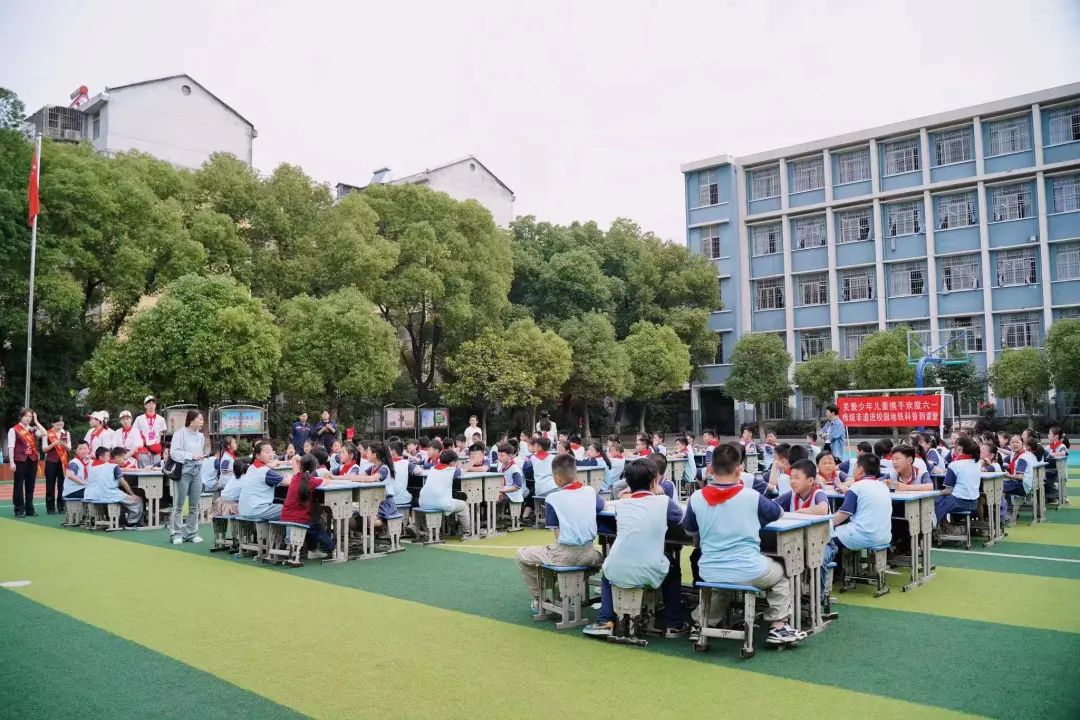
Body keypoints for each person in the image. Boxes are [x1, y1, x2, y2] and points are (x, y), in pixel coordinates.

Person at [683, 444, 805, 645]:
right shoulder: (751, 496)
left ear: (710, 469)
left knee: (720, 586)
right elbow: (777, 513)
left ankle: (701, 623)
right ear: (739, 469)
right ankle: (778, 626)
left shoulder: (696, 498)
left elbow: (689, 530)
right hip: (749, 569)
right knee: (782, 575)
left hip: (710, 569)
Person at [584, 459, 687, 638]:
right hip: (651, 568)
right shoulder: (664, 502)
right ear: (654, 481)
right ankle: (673, 624)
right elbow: (679, 519)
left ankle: (605, 621)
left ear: (628, 484)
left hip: (616, 567)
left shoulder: (620, 504)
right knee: (673, 568)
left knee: (607, 574)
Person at [516, 454, 603, 614]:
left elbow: (558, 535)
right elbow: (600, 507)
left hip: (565, 554)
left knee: (522, 554)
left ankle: (540, 599)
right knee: (598, 558)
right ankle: (563, 586)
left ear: (557, 477)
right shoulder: (590, 491)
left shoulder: (552, 498)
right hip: (591, 554)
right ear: (576, 473)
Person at [280, 453, 333, 559]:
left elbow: (295, 461)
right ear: (315, 468)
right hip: (299, 518)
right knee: (315, 526)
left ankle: (313, 550)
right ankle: (333, 549)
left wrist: (298, 460)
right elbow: (327, 481)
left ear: (300, 466)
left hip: (285, 516)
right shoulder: (312, 481)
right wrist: (327, 477)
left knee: (313, 523)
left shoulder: (295, 477)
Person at [168, 410, 207, 544]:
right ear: (191, 420)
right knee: (178, 504)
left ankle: (192, 533)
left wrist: (199, 459)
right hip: (184, 469)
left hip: (197, 469)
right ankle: (176, 534)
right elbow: (174, 453)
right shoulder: (180, 433)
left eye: (202, 420)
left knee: (194, 504)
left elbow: (200, 451)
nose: (201, 422)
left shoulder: (201, 436)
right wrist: (191, 456)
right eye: (199, 419)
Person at [84, 446, 144, 525]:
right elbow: (123, 482)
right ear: (101, 457)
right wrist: (132, 494)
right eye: (108, 456)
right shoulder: (113, 466)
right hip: (108, 494)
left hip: (90, 495)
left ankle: (121, 520)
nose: (110, 458)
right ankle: (132, 522)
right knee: (138, 500)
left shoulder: (90, 466)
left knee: (122, 497)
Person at [417, 449, 471, 535]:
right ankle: (467, 533)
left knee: (447, 500)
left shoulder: (433, 468)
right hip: (441, 503)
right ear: (452, 463)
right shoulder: (452, 470)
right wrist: (473, 461)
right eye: (456, 463)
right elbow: (464, 470)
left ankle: (430, 531)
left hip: (423, 502)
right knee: (463, 506)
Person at [8, 408, 47, 517]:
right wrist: (11, 462)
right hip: (20, 460)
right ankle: (19, 509)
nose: (28, 418)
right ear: (21, 417)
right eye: (26, 416)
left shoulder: (32, 429)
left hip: (32, 460)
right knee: (19, 484)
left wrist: (36, 421)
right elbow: (11, 447)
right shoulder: (14, 430)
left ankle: (30, 508)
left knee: (31, 485)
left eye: (30, 416)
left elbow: (44, 433)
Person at [935, 436, 981, 523]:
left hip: (958, 502)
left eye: (955, 445)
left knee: (934, 501)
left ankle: (934, 527)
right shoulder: (977, 463)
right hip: (974, 503)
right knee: (941, 501)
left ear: (959, 448)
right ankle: (946, 526)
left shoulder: (954, 465)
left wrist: (936, 493)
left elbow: (948, 490)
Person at [238, 440, 287, 521]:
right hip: (257, 510)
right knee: (290, 509)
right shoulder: (265, 471)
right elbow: (288, 482)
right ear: (257, 455)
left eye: (272, 452)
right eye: (267, 452)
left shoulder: (251, 467)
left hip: (243, 511)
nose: (270, 454)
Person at [42, 416, 72, 514]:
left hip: (63, 462)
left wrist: (63, 444)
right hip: (51, 461)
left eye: (62, 422)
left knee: (62, 485)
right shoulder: (47, 433)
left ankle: (61, 507)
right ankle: (50, 508)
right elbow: (44, 449)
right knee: (50, 485)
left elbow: (69, 449)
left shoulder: (66, 433)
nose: (60, 424)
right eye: (58, 422)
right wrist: (54, 444)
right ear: (53, 423)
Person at [133, 396, 168, 468]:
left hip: (156, 451)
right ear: (145, 405)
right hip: (143, 450)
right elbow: (134, 434)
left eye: (153, 403)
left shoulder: (161, 419)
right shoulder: (139, 419)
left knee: (156, 471)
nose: (151, 405)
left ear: (155, 405)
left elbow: (163, 436)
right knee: (143, 471)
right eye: (149, 403)